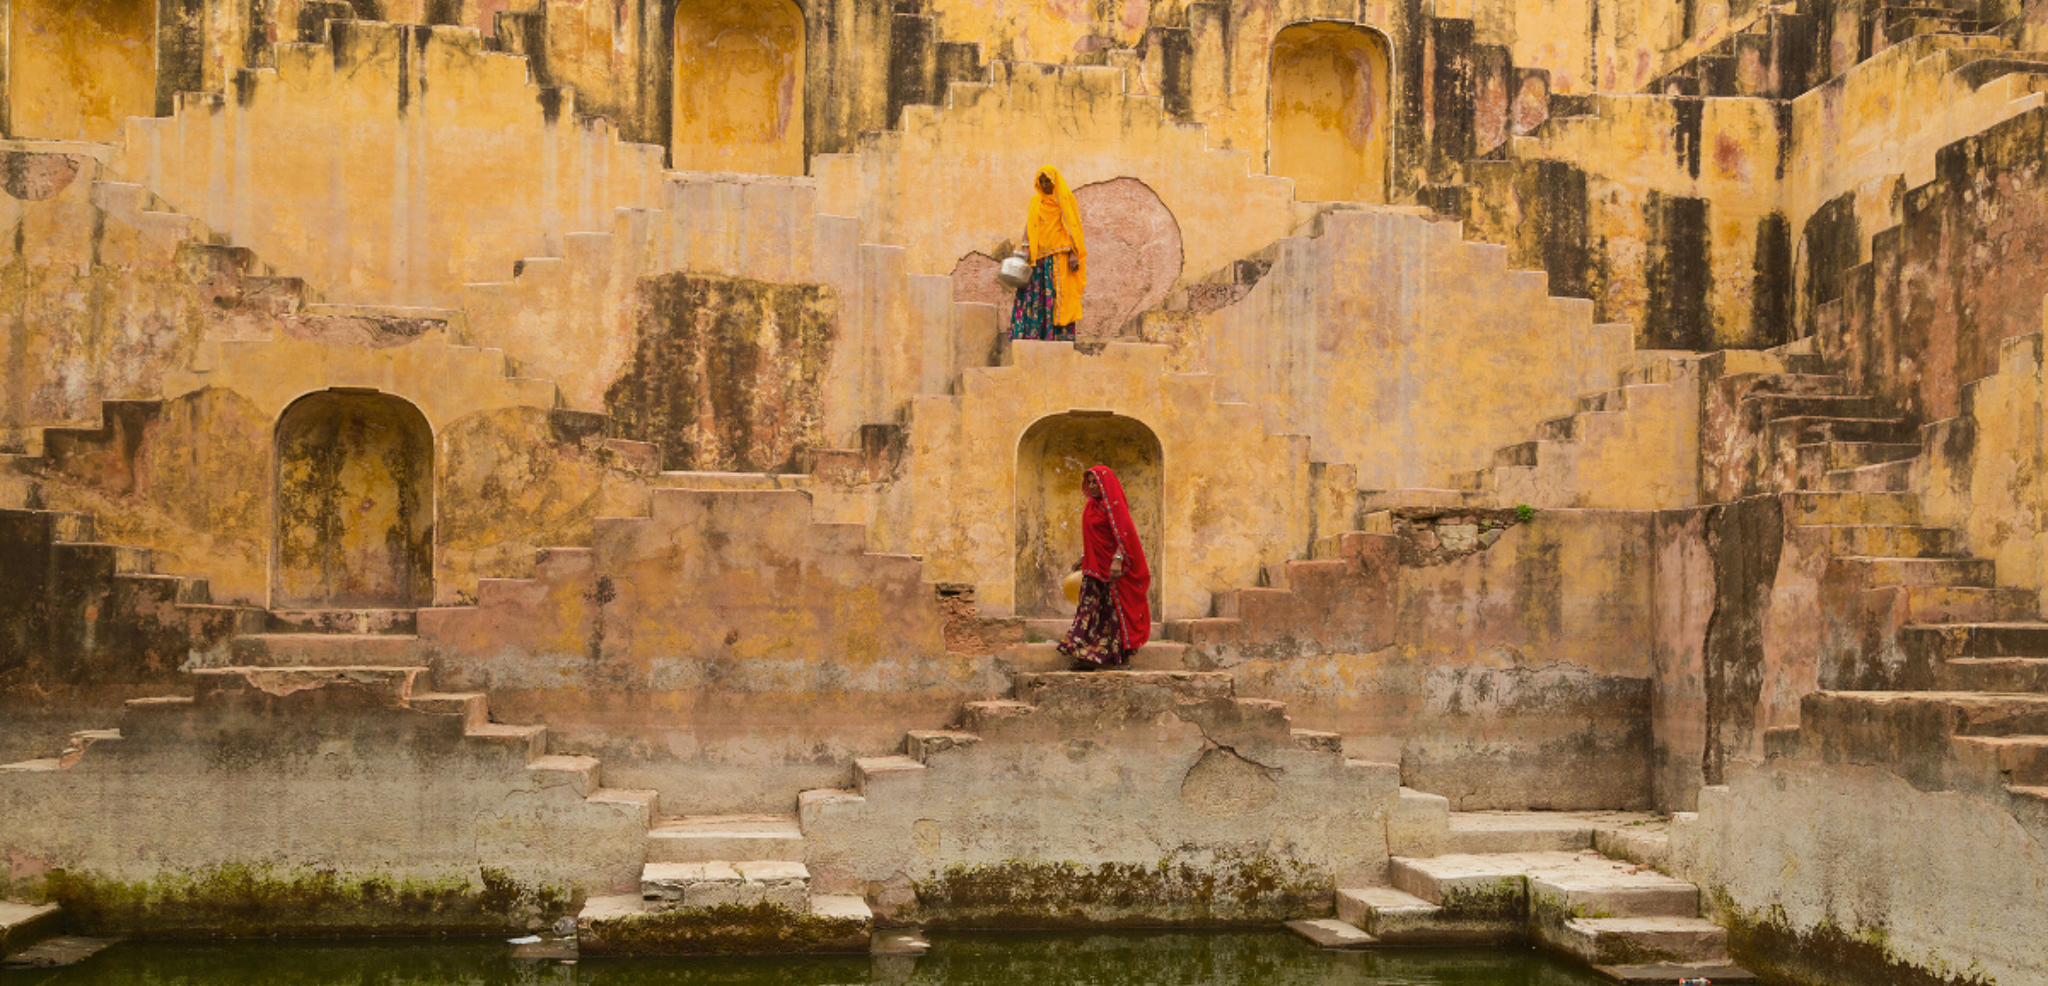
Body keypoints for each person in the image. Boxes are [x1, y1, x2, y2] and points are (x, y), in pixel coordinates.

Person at [1059, 465, 1151, 671]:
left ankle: (1120, 659)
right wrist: (1083, 558)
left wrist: (1118, 559)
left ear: (1105, 484)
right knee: (1090, 612)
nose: (1092, 486)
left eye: (1096, 482)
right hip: (1093, 568)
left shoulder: (1114, 506)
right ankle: (1087, 658)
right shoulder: (1091, 507)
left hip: (1112, 570)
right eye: (1089, 482)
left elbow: (1124, 534)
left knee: (1114, 612)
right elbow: (1093, 538)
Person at [1011, 165, 1086, 343]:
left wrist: (1074, 253)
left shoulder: (1065, 201)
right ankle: (1032, 336)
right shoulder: (1036, 202)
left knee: (1059, 297)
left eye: (1048, 181)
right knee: (1033, 297)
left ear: (1054, 182)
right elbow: (1029, 226)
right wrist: (1025, 247)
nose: (1044, 185)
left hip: (1059, 258)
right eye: (1041, 182)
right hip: (1037, 258)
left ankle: (1057, 339)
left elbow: (1074, 228)